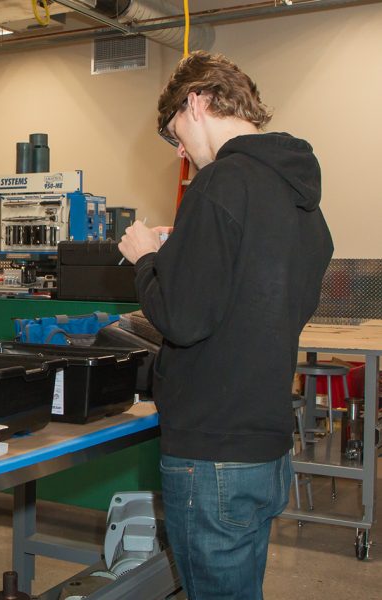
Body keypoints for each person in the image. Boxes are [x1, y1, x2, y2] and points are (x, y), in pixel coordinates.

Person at [118, 52, 333, 600]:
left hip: (212, 453)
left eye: (175, 137)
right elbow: (255, 300)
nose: (182, 154)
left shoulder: (219, 184)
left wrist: (146, 258)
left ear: (195, 103)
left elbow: (182, 319)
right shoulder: (301, 196)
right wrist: (186, 252)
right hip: (266, 444)